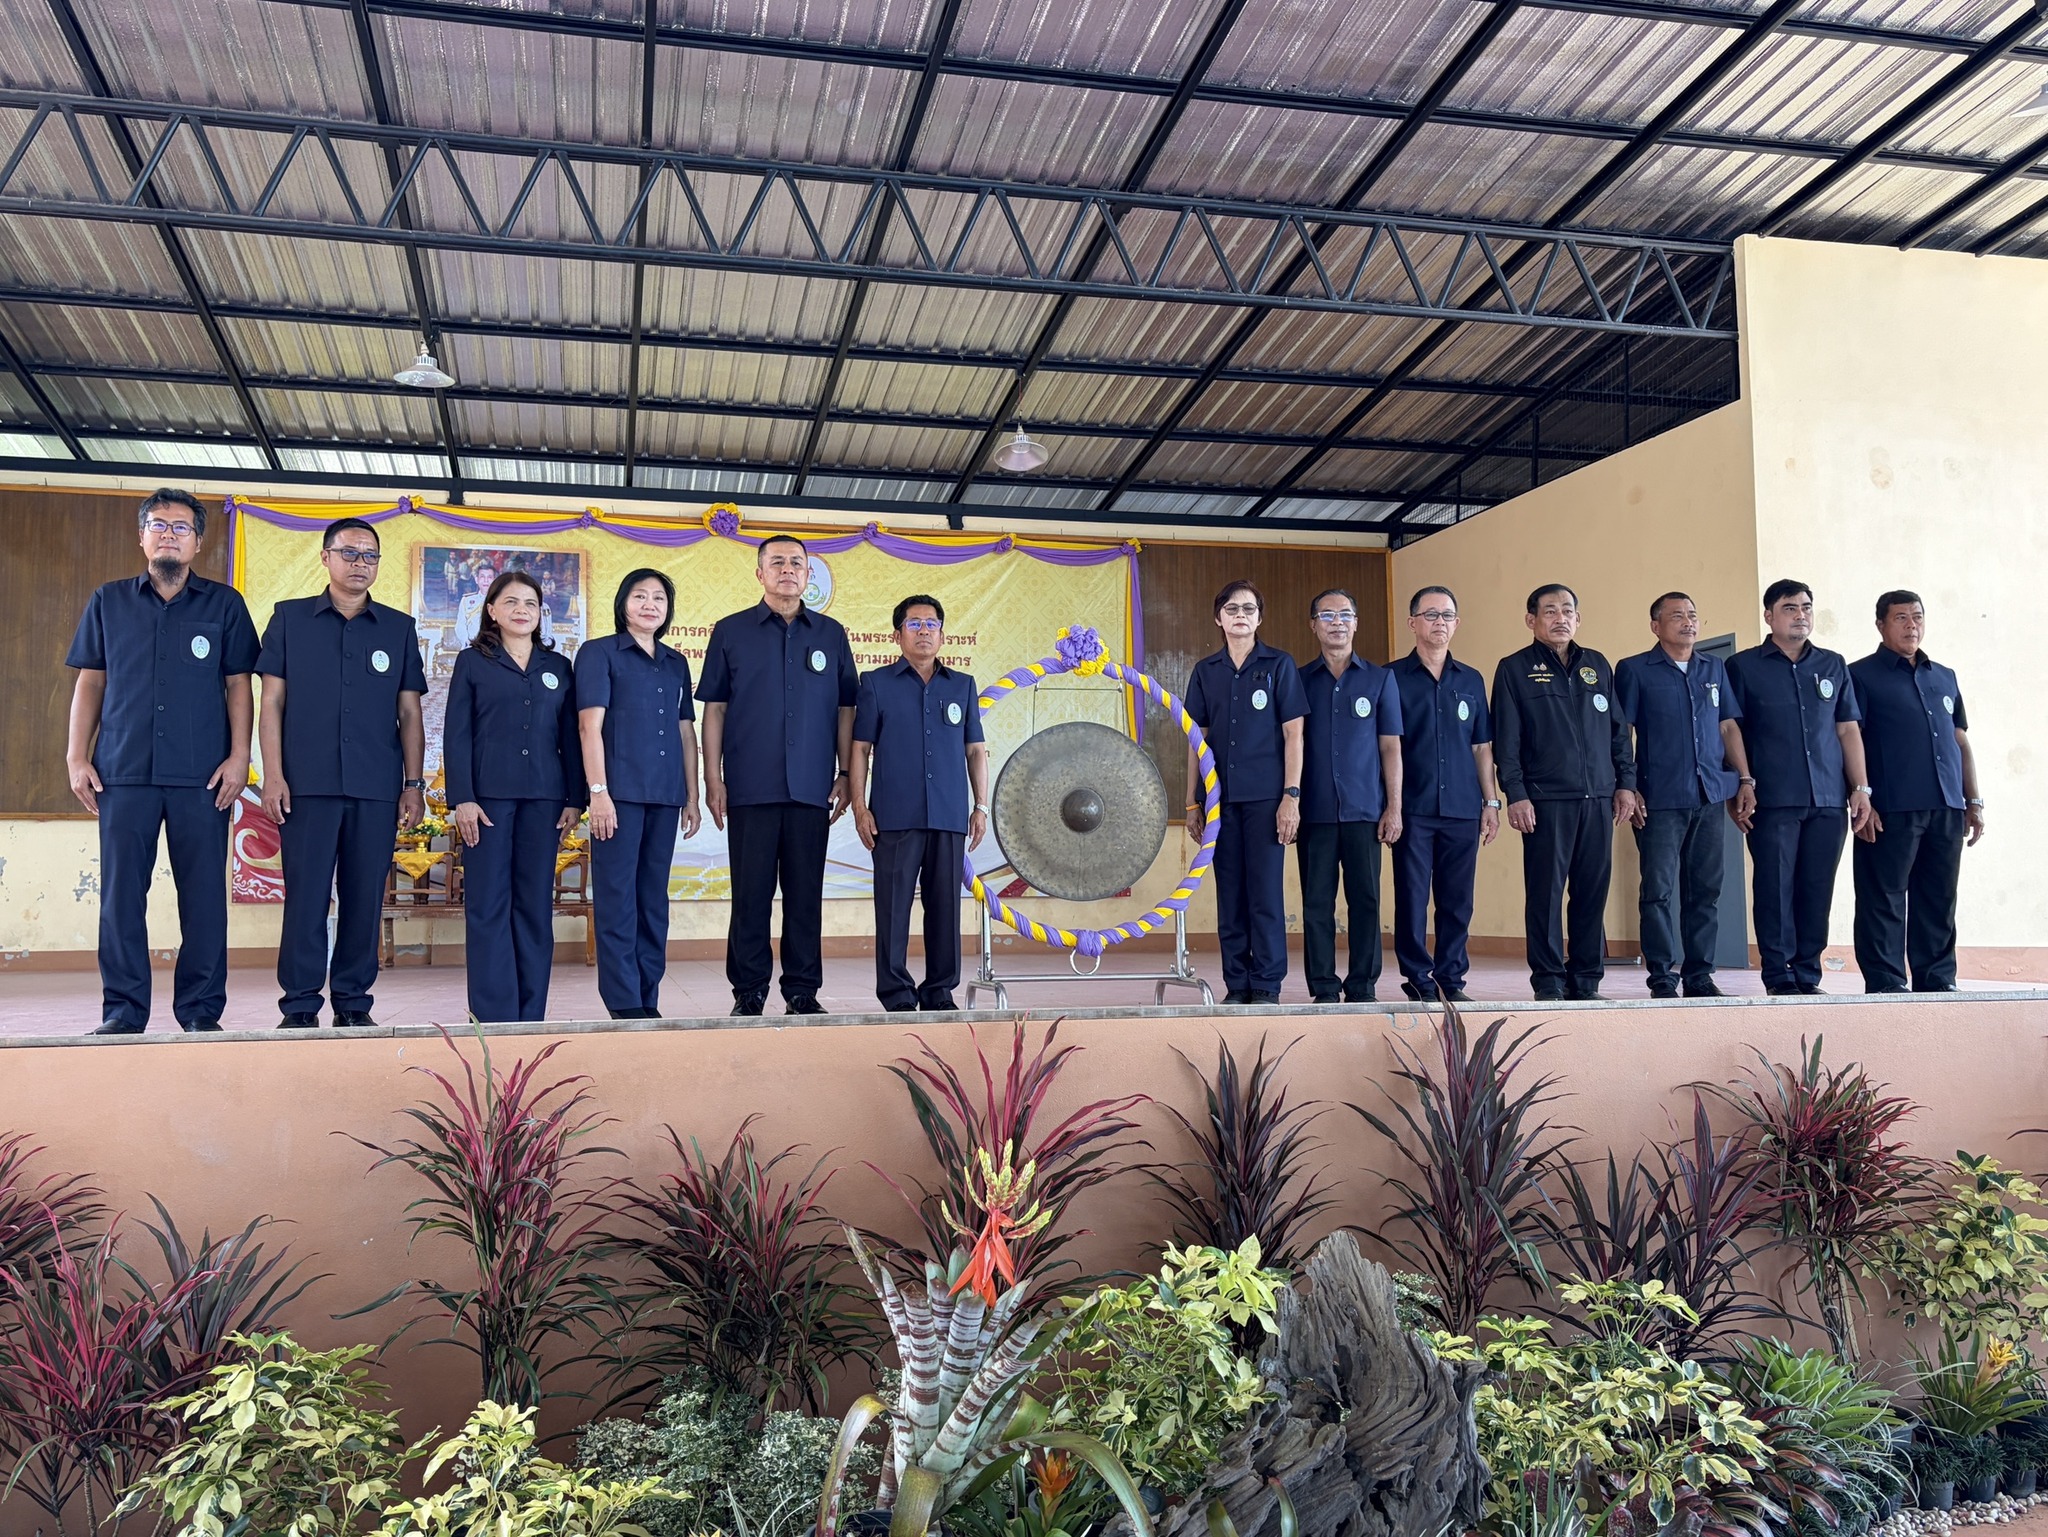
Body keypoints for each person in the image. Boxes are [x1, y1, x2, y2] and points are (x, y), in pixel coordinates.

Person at [64, 488, 259, 1035]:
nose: (169, 533)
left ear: (198, 542)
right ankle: (123, 1012)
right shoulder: (109, 601)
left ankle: (200, 1011)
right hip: (122, 772)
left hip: (204, 776)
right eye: (158, 524)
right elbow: (91, 682)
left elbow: (239, 686)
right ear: (142, 537)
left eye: (181, 526)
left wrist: (239, 757)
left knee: (204, 899)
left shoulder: (225, 605)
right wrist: (77, 756)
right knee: (121, 899)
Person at [257, 517, 427, 1029]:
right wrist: (273, 775)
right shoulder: (289, 619)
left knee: (364, 899)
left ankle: (353, 1002)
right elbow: (271, 703)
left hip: (375, 787)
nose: (360, 563)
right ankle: (300, 1005)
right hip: (306, 786)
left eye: (370, 555)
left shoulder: (397, 628)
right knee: (306, 898)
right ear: (326, 557)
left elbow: (410, 713)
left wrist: (413, 784)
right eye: (349, 553)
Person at [697, 535, 857, 1016]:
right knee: (750, 897)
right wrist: (713, 779)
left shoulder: (831, 634)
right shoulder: (731, 632)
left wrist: (846, 772)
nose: (788, 570)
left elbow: (846, 709)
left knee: (805, 897)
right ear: (760, 573)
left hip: (811, 789)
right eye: (777, 562)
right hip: (750, 787)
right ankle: (748, 992)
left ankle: (802, 992)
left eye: (796, 563)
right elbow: (715, 710)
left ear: (808, 574)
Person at [445, 571, 586, 1023]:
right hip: (487, 802)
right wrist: (463, 798)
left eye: (530, 603)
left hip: (545, 800)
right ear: (491, 610)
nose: (521, 610)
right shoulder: (472, 662)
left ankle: (530, 1013)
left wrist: (575, 798)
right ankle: (493, 1015)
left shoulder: (558, 667)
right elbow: (457, 734)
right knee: (488, 905)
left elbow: (571, 737)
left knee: (533, 906)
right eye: (511, 602)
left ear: (541, 613)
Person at [1492, 584, 1640, 1001]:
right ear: (1531, 620)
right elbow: (1507, 740)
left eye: (1568, 611)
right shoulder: (1514, 669)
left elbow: (1618, 732)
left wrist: (1626, 784)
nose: (1561, 618)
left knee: (1592, 891)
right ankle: (1549, 980)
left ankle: (1587, 979)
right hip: (1546, 800)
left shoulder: (1597, 665)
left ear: (1578, 618)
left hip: (1599, 797)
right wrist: (1516, 793)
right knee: (1546, 893)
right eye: (1550, 611)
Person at [1725, 580, 1873, 996]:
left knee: (1816, 889)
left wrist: (1860, 787)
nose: (1801, 615)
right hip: (1773, 798)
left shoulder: (1832, 664)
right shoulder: (1742, 666)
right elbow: (1730, 729)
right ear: (1769, 616)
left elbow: (1847, 729)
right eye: (1790, 608)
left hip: (1828, 798)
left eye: (1806, 607)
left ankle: (1808, 973)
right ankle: (1778, 975)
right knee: (1775, 888)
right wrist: (1741, 782)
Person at [849, 595, 989, 1012]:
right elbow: (860, 749)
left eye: (931, 624)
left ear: (942, 635)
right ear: (898, 635)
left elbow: (975, 751)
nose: (924, 630)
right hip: (893, 816)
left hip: (948, 815)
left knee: (944, 908)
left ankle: (939, 991)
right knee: (892, 908)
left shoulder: (962, 685)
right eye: (914, 624)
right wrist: (860, 806)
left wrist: (980, 806)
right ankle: (895, 993)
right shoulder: (875, 683)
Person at [575, 569, 701, 1020]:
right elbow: (589, 727)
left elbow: (686, 732)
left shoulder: (675, 662)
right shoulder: (599, 653)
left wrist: (692, 795)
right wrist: (598, 793)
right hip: (618, 797)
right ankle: (624, 1002)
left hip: (665, 796)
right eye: (640, 596)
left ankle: (649, 997)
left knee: (652, 902)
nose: (650, 605)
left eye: (659, 598)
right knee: (617, 900)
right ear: (623, 603)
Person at [1615, 593, 1752, 999]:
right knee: (1657, 890)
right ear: (1656, 626)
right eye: (1677, 616)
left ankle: (1699, 975)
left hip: (1709, 795)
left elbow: (1727, 726)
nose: (1688, 622)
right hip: (1659, 798)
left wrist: (1745, 778)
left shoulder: (1714, 668)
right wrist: (1628, 785)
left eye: (1692, 615)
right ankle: (1661, 975)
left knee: (1705, 890)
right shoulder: (1635, 670)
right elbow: (1622, 732)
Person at [1848, 591, 1984, 993]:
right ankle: (1886, 982)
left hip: (1946, 805)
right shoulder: (1859, 675)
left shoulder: (1944, 676)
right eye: (1901, 618)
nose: (1912, 625)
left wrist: (1973, 800)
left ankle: (1937, 979)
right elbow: (1847, 739)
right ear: (1881, 625)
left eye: (1918, 617)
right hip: (1891, 807)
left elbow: (1960, 741)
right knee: (1883, 898)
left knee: (1939, 898)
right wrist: (1860, 798)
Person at [1183, 580, 1307, 1006]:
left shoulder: (1279, 665)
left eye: (1249, 609)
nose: (1241, 615)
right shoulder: (1206, 671)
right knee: (1230, 893)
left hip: (1266, 799)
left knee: (1265, 894)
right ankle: (1236, 984)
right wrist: (1193, 801)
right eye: (1232, 608)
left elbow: (1294, 735)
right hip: (1219, 800)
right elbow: (1196, 741)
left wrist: (1291, 796)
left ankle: (1267, 984)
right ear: (1218, 618)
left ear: (1259, 618)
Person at [1389, 586, 1502, 1003]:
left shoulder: (1470, 679)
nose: (1440, 622)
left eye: (1448, 615)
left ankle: (1451, 980)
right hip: (1413, 808)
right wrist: (1392, 806)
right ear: (1412, 623)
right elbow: (1388, 746)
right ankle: (1418, 979)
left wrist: (1491, 803)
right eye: (1431, 614)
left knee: (1457, 901)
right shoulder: (1391, 678)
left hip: (1461, 807)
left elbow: (1482, 747)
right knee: (1412, 898)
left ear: (1457, 623)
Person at [1295, 587, 1403, 1004]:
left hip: (1365, 811)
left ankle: (1362, 985)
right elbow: (1289, 743)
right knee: (1316, 904)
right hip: (1315, 811)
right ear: (1313, 626)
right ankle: (1323, 986)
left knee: (1366, 901)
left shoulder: (1379, 679)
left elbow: (1390, 747)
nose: (1336, 622)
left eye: (1344, 615)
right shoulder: (1298, 680)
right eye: (1327, 615)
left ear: (1356, 623)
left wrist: (1393, 807)